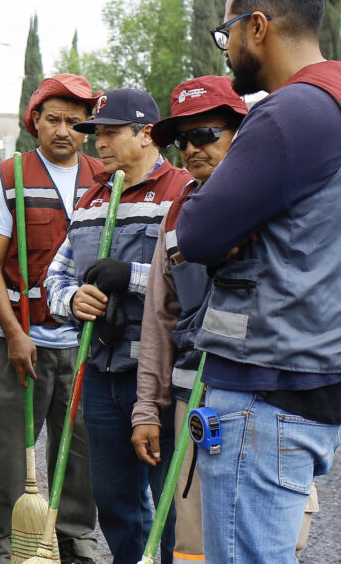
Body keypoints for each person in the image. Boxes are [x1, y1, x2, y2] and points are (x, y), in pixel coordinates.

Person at [176, 0, 341, 563]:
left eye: (228, 33)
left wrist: (221, 226)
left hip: (269, 382)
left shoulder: (291, 113)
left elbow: (201, 232)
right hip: (312, 372)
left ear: (257, 26)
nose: (227, 48)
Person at [44, 88, 192, 564]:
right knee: (114, 504)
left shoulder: (182, 193)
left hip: (159, 379)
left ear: (147, 134)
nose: (98, 144)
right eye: (96, 134)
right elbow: (56, 278)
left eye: (110, 132)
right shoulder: (91, 199)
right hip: (101, 375)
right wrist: (74, 300)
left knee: (171, 508)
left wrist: (131, 277)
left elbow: (194, 280)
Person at [0, 74, 101, 564]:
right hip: (22, 344)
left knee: (81, 456)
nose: (63, 130)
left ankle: (73, 543)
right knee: (5, 456)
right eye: (53, 119)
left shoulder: (103, 176)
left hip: (88, 347)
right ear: (35, 122)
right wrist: (14, 333)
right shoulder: (11, 175)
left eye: (75, 121)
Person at [130, 76, 249, 563]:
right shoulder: (176, 215)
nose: (192, 148)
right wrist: (146, 409)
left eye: (207, 134)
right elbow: (159, 318)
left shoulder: (270, 202)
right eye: (183, 139)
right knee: (193, 541)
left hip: (258, 391)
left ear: (239, 132)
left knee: (265, 534)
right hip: (192, 398)